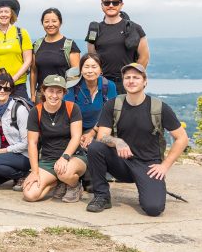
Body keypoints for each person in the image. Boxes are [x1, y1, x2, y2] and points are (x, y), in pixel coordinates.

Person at [85, 63, 188, 216]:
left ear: (145, 81)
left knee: (154, 209)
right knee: (95, 148)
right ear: (123, 80)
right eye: (127, 77)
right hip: (121, 162)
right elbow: (101, 136)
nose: (131, 81)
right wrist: (118, 142)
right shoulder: (113, 105)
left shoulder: (159, 108)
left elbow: (182, 138)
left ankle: (149, 189)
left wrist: (165, 166)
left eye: (136, 77)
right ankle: (102, 196)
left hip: (148, 165)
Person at [21, 75, 85, 203]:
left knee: (64, 173)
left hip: (73, 157)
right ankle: (56, 183)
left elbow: (76, 137)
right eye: (51, 91)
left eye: (59, 91)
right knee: (30, 194)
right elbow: (32, 143)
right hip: (48, 160)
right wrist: (34, 171)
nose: (54, 95)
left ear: (64, 93)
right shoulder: (36, 112)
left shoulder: (72, 108)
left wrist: (65, 157)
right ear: (43, 91)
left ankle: (74, 185)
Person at [86, 0, 150, 94]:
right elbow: (92, 57)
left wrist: (133, 78)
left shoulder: (135, 28)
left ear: (121, 5)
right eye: (107, 3)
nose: (111, 5)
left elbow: (144, 57)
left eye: (115, 2)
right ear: (102, 5)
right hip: (103, 83)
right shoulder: (95, 29)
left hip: (126, 82)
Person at [64, 54, 117, 152]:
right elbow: (67, 115)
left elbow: (111, 114)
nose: (90, 71)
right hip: (74, 129)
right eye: (86, 67)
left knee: (95, 148)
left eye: (94, 67)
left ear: (101, 70)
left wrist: (92, 133)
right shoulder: (73, 86)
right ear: (81, 70)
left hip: (100, 129)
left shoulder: (109, 86)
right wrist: (78, 137)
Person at [0, 0, 33, 100]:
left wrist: (13, 79)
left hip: (18, 84)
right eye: (0, 12)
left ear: (11, 14)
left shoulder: (22, 33)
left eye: (6, 11)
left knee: (21, 113)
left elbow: (28, 60)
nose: (3, 14)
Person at [30, 8, 81, 103]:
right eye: (46, 21)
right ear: (42, 24)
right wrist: (33, 94)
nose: (50, 24)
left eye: (54, 21)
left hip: (62, 95)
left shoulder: (69, 45)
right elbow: (33, 71)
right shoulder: (37, 45)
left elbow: (75, 75)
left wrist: (67, 96)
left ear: (60, 23)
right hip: (41, 95)